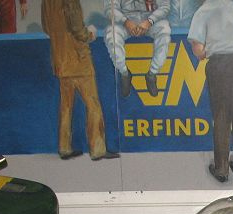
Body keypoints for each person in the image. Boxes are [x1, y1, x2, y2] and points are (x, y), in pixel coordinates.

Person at [42, 0, 119, 160]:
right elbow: (78, 28)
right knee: (93, 105)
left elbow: (47, 28)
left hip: (60, 60)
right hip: (78, 60)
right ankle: (97, 149)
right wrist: (90, 34)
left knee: (66, 107)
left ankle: (64, 147)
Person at [188, 0, 233, 182]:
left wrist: (209, 50)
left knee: (221, 115)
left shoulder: (202, 12)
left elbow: (198, 49)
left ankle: (222, 169)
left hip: (218, 65)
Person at [104, 0, 171, 97]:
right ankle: (125, 74)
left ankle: (152, 74)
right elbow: (109, 8)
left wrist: (150, 21)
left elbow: (165, 6)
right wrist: (125, 21)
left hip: (150, 20)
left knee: (165, 30)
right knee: (111, 34)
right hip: (124, 21)